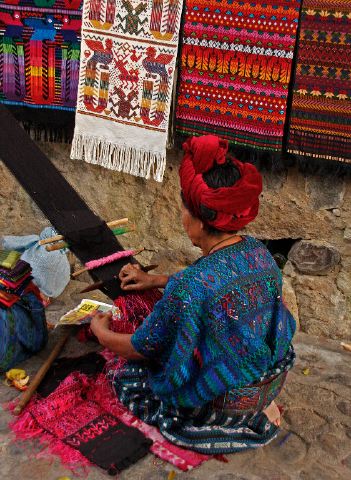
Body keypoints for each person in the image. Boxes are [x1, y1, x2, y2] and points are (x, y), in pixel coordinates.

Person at [90, 134, 296, 454]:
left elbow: (140, 347)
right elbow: (220, 284)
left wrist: (101, 332)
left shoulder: (190, 287)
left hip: (220, 403)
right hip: (270, 382)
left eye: (184, 209)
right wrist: (155, 279)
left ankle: (226, 417)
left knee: (128, 374)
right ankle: (258, 405)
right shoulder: (259, 253)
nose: (182, 216)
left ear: (198, 222)